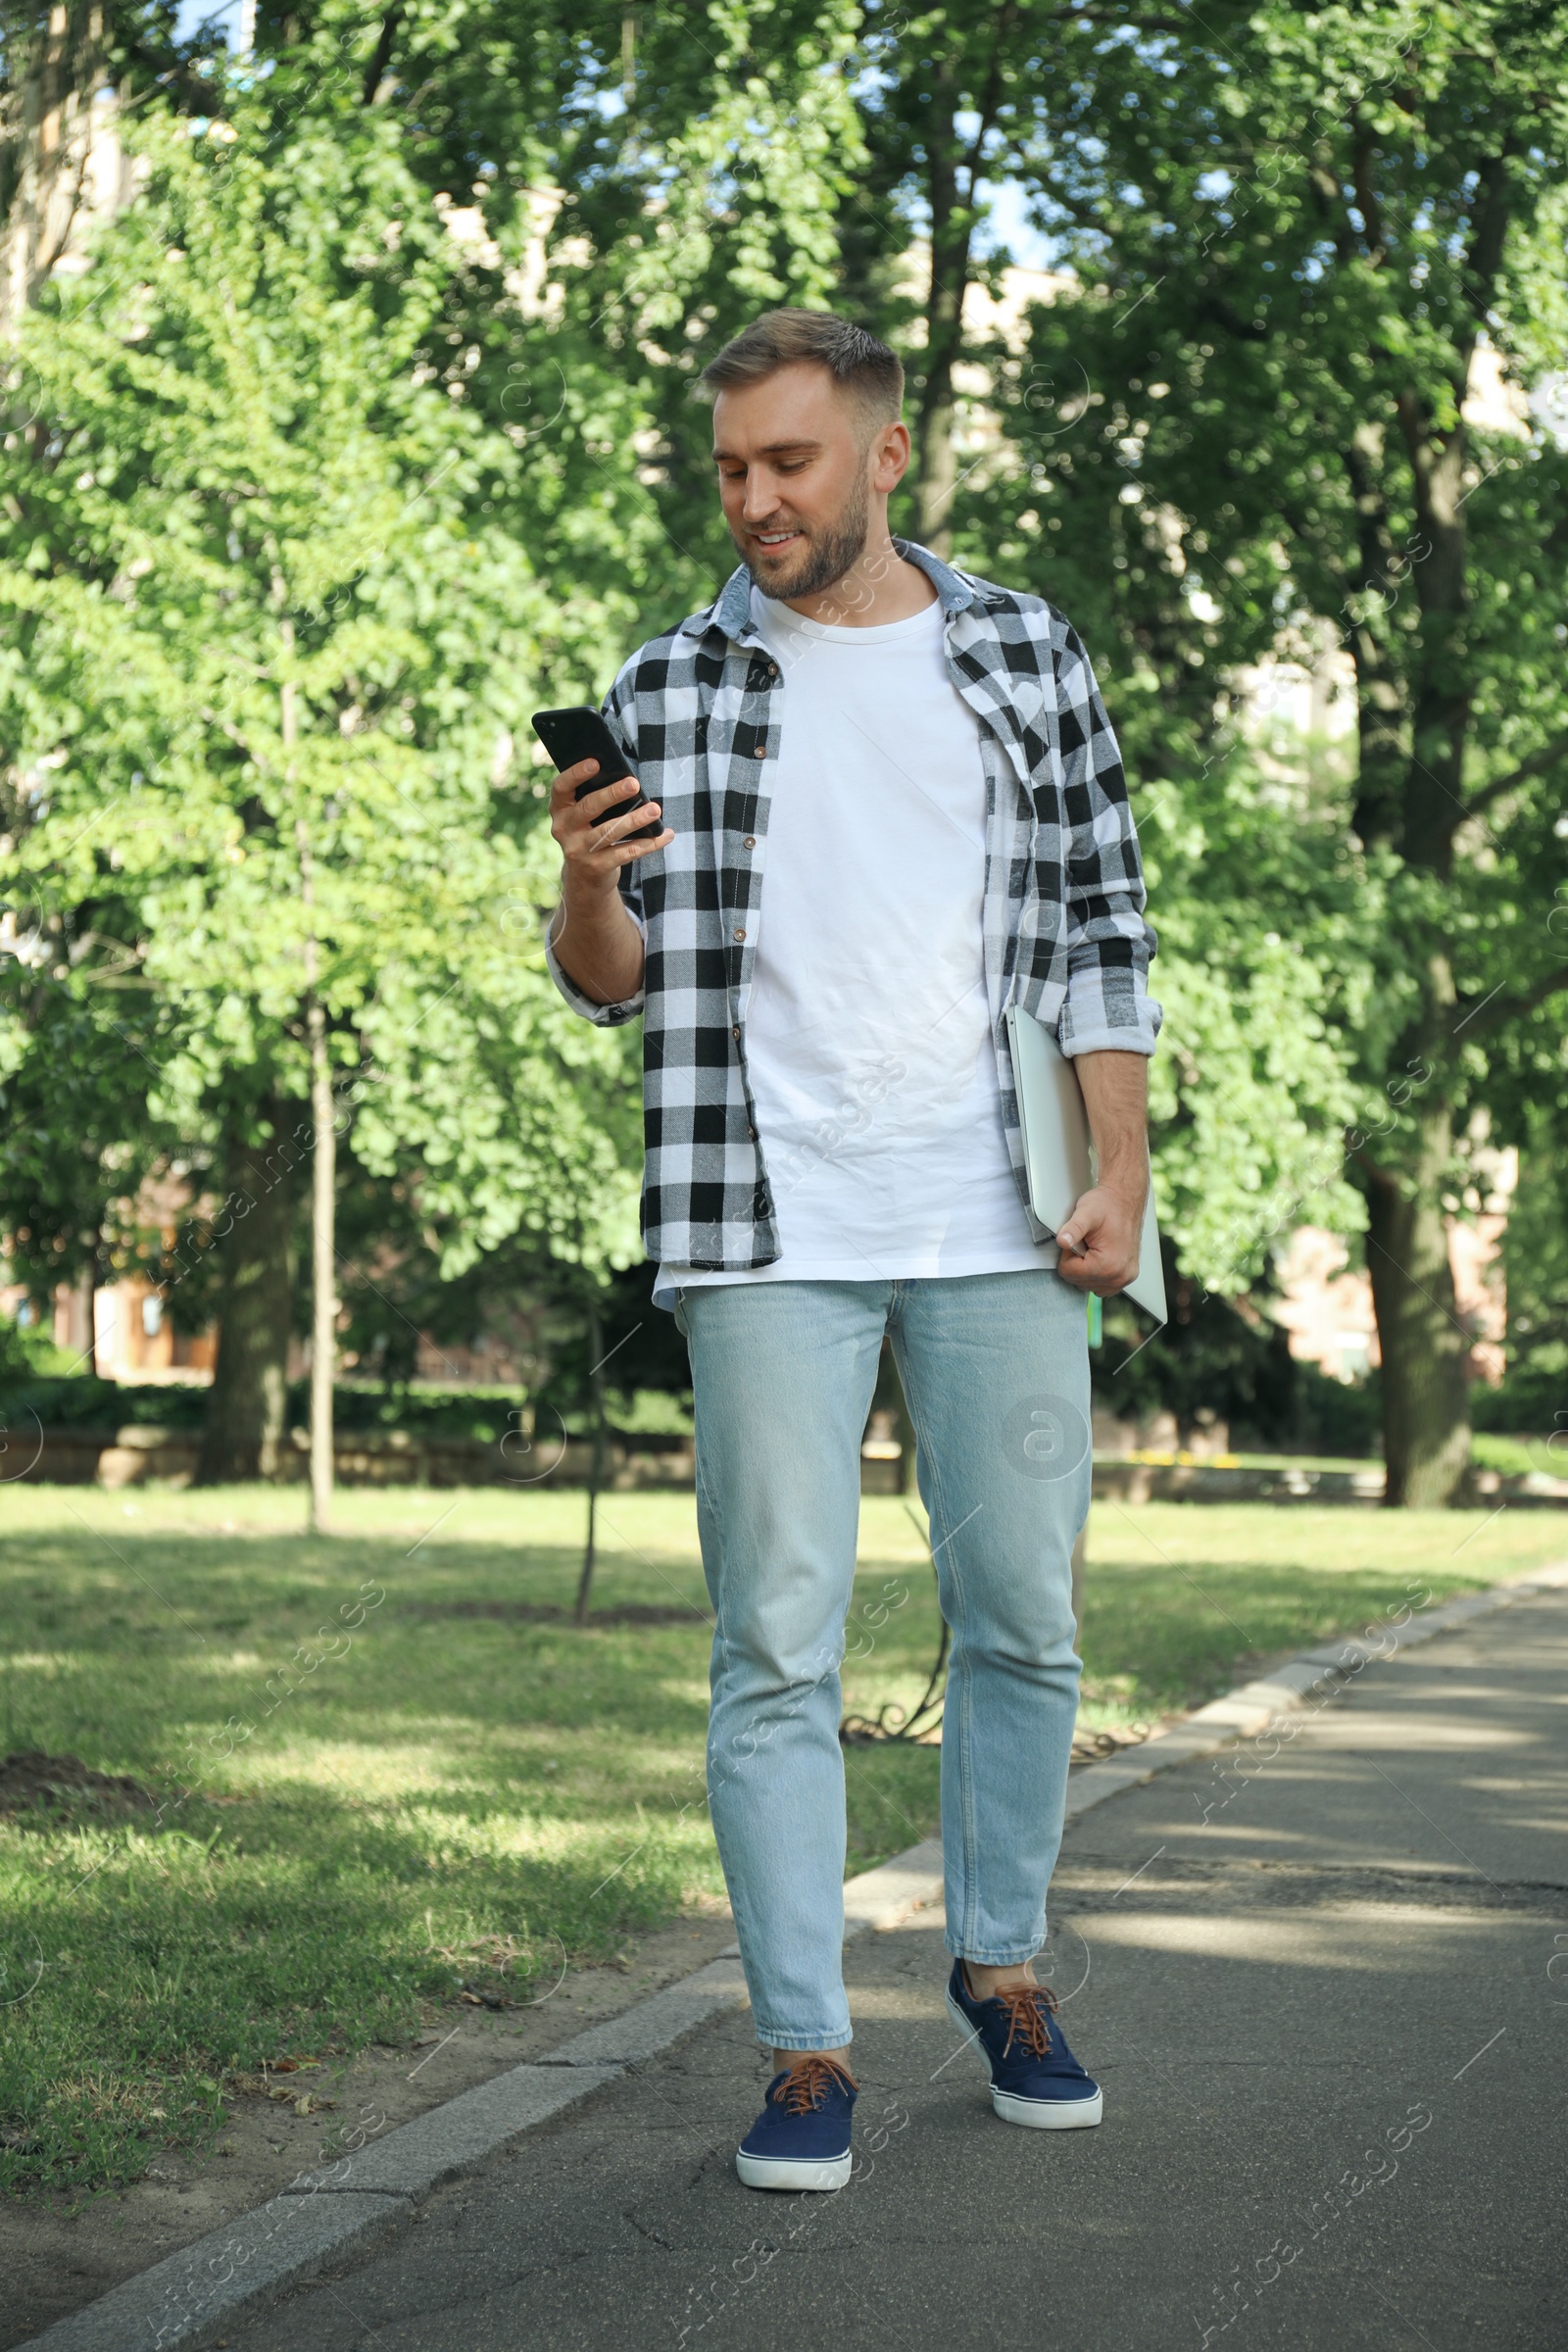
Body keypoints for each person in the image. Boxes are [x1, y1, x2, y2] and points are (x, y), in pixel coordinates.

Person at [545, 309, 1158, 2193]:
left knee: (1028, 1626)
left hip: (997, 1221)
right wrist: (582, 876)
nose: (755, 502)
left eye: (789, 464)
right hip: (762, 1226)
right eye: (731, 468)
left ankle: (1001, 1967)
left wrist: (1119, 1171)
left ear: (887, 456)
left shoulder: (1020, 649)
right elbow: (606, 989)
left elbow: (1099, 930)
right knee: (775, 1647)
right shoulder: (675, 681)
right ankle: (806, 2049)